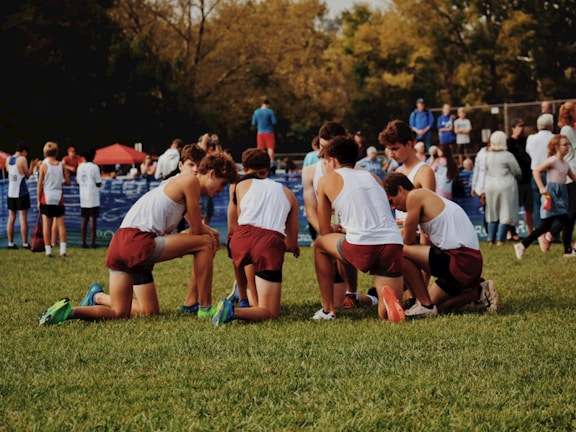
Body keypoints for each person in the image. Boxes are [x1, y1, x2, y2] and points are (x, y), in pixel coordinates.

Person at [37, 153, 239, 326]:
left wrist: (208, 231)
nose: (221, 191)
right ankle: (205, 308)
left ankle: (73, 310)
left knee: (122, 312)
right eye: (222, 185)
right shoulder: (191, 181)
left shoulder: (178, 181)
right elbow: (196, 230)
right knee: (204, 244)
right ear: (211, 174)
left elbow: (186, 231)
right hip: (138, 242)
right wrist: (210, 234)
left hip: (119, 244)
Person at [312, 136, 405, 322]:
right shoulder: (374, 177)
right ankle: (387, 308)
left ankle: (327, 309)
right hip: (393, 243)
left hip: (361, 246)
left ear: (332, 160)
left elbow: (323, 229)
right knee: (385, 310)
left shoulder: (326, 180)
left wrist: (336, 227)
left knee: (320, 245)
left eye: (325, 161)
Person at [383, 172, 500, 318]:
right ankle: (478, 292)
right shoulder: (427, 201)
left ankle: (425, 305)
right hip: (467, 263)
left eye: (391, 201)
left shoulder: (415, 196)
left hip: (461, 261)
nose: (393, 207)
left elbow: (408, 241)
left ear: (401, 189)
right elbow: (423, 249)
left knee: (398, 249)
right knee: (437, 309)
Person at [212, 149, 300, 326]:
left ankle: (243, 296)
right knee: (269, 312)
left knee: (245, 254)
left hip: (240, 239)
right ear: (269, 169)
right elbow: (290, 243)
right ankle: (233, 310)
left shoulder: (238, 185)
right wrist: (290, 247)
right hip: (268, 245)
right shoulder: (289, 195)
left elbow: (237, 220)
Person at [302, 121, 374, 308]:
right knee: (337, 300)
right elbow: (311, 211)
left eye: (330, 148)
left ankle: (354, 293)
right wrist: (326, 232)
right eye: (323, 147)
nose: (325, 154)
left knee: (345, 256)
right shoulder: (311, 172)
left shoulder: (358, 171)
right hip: (326, 224)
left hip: (350, 225)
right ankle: (362, 298)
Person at [514, 135, 576, 259]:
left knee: (550, 225)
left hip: (561, 193)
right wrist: (542, 187)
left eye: (568, 145)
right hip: (552, 194)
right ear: (557, 146)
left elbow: (573, 178)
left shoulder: (565, 164)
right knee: (564, 222)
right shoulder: (552, 160)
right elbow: (536, 171)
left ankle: (523, 244)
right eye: (565, 145)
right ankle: (567, 250)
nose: (567, 147)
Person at [542, 101, 576, 252]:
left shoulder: (570, 129)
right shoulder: (567, 130)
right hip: (571, 175)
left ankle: (551, 235)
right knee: (570, 212)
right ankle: (552, 236)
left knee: (571, 212)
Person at [484, 131, 522, 246]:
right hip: (506, 185)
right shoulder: (507, 155)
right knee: (506, 212)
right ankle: (501, 239)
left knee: (492, 212)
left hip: (490, 185)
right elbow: (517, 171)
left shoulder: (488, 155)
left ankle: (491, 239)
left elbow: (485, 170)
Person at [37, 141, 70, 257]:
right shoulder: (62, 165)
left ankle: (48, 250)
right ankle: (63, 249)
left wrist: (38, 199)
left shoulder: (44, 166)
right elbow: (68, 181)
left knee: (47, 223)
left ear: (45, 153)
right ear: (57, 152)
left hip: (47, 196)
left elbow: (40, 184)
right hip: (58, 195)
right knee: (61, 224)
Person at [526, 114, 555, 230]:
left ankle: (539, 232)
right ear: (551, 126)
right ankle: (552, 232)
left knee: (538, 204)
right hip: (551, 173)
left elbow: (529, 151)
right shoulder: (555, 138)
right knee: (552, 204)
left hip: (536, 173)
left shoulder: (531, 139)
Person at [507, 117, 533, 239]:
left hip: (527, 178)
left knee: (529, 207)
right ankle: (512, 232)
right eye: (519, 126)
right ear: (513, 128)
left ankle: (530, 231)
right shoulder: (509, 143)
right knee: (513, 207)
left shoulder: (526, 141)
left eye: (523, 126)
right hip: (515, 180)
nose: (522, 129)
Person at [6, 141, 34, 249]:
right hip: (21, 192)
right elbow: (27, 175)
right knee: (23, 218)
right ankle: (25, 243)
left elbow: (10, 173)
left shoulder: (8, 159)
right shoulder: (22, 159)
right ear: (24, 151)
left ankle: (10, 243)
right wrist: (32, 166)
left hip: (11, 192)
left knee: (11, 217)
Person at [77, 149, 102, 248]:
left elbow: (79, 181)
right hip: (93, 196)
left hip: (83, 196)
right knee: (93, 219)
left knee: (84, 219)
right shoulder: (94, 167)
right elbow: (98, 182)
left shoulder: (80, 166)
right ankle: (92, 242)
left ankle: (83, 242)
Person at [252, 98, 277, 167]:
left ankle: (260, 162)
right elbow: (274, 122)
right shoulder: (270, 111)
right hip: (269, 132)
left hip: (260, 132)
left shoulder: (256, 112)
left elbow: (254, 123)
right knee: (270, 148)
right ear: (268, 104)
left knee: (260, 149)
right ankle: (271, 163)